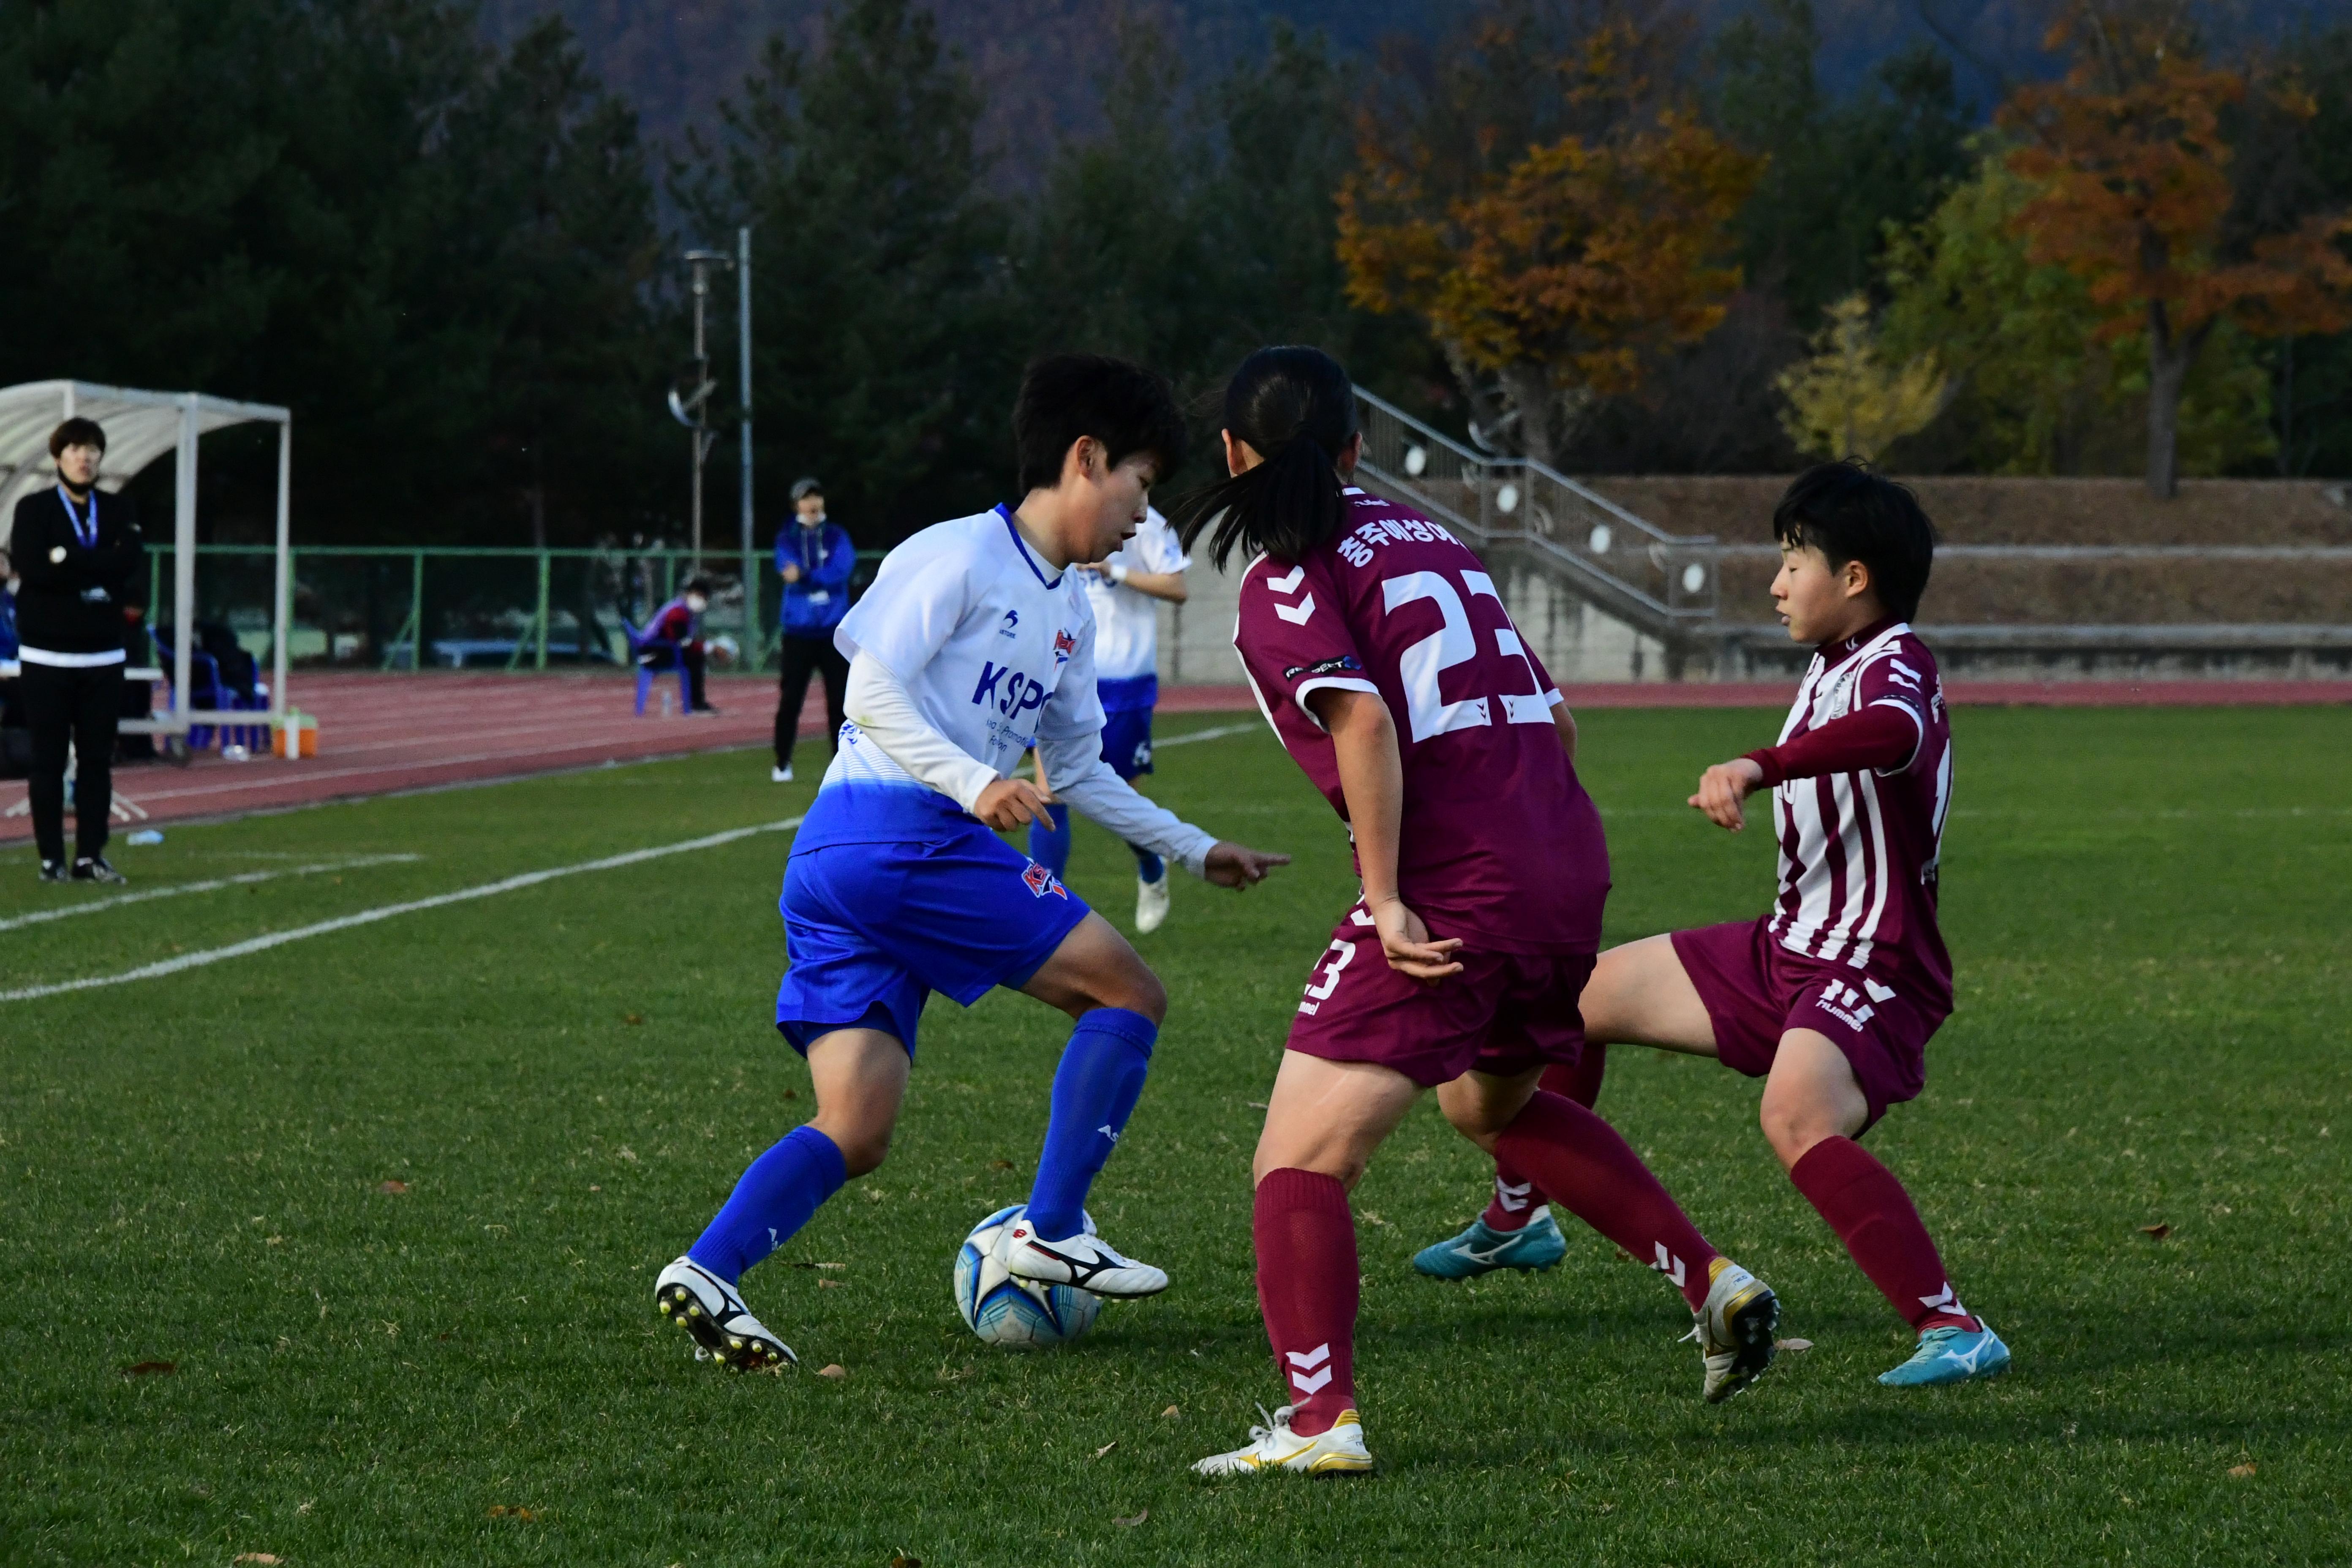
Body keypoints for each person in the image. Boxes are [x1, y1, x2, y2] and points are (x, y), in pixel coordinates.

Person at [1181, 348, 1779, 1480]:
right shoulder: (1436, 544)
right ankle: (1711, 1283)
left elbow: (1359, 721)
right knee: (1489, 1103)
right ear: (1359, 450)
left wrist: (1387, 896)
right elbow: (1554, 724)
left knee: (1299, 1162)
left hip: (1462, 883)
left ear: (1230, 453)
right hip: (1564, 863)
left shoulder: (1287, 575)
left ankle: (1320, 1426)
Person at [652, 354, 1289, 1370]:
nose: (1142, 511)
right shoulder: (954, 554)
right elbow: (868, 691)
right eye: (1138, 481)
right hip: (894, 833)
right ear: (1085, 459)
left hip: (845, 865)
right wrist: (971, 783)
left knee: (855, 1125)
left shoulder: (1072, 612)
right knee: (1129, 993)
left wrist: (1193, 847)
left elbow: (1079, 768)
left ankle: (710, 1270)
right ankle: (1050, 1227)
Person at [1413, 460, 2009, 1390]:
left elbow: (1890, 732)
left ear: (1854, 577)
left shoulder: (1897, 663)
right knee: (1571, 995)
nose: (1776, 584)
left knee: (1796, 1113)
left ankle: (1954, 1325)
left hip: (1872, 967)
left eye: (1792, 561)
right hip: (1786, 948)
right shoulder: (1835, 659)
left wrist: (1757, 764)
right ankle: (1522, 1212)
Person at [1024, 503, 1189, 930]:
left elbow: (1177, 587)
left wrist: (1113, 571)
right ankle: (1043, 909)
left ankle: (1151, 864)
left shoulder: (1148, 523)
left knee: (1121, 801)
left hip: (1124, 679)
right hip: (1062, 671)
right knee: (1048, 791)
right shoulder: (1063, 513)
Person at [11, 418, 144, 883]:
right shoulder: (33, 509)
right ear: (58, 457)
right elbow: (32, 566)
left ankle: (91, 856)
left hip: (103, 657)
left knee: (95, 761)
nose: (83, 458)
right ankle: (51, 859)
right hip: (47, 657)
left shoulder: (117, 507)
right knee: (48, 759)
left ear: (100, 457)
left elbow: (128, 562)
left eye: (91, 450)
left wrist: (67, 557)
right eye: (73, 450)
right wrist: (95, 565)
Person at [771, 477, 854, 782]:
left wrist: (805, 576)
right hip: (799, 630)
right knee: (791, 698)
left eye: (817, 496)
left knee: (841, 701)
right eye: (807, 498)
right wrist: (809, 576)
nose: (813, 503)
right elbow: (786, 568)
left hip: (833, 630)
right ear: (797, 505)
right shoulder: (787, 537)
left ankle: (843, 762)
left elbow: (840, 570)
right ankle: (782, 761)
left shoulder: (835, 535)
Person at [639, 575, 716, 714]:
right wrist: (708, 648)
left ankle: (696, 702)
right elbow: (681, 642)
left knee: (696, 657)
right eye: (699, 596)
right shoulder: (677, 612)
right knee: (695, 659)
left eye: (704, 598)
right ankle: (696, 703)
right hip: (652, 653)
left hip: (661, 649)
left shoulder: (686, 612)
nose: (702, 600)